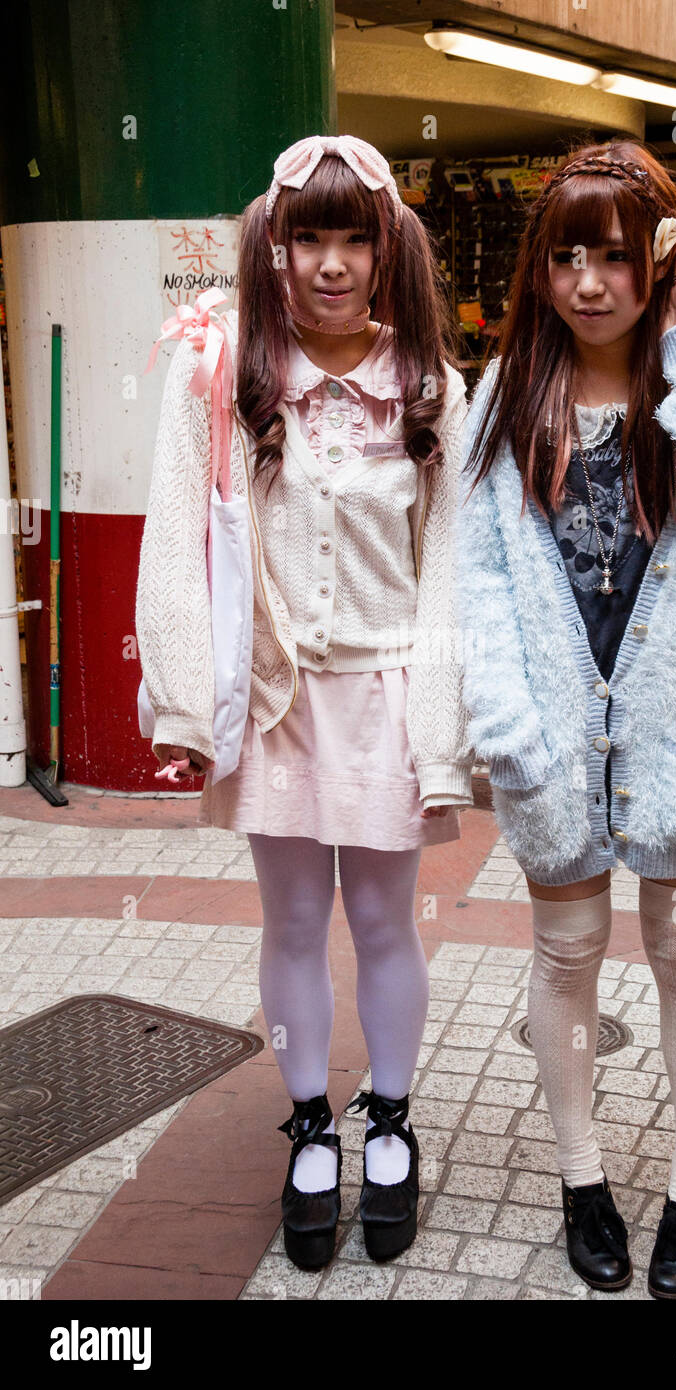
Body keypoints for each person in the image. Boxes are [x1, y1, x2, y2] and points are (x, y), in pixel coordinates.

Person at [455, 139, 676, 1299]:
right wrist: (503, 725)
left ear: (657, 259)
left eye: (613, 256)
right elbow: (479, 572)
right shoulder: (503, 394)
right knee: (564, 953)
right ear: (537, 270)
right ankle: (579, 1176)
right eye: (564, 258)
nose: (588, 283)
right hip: (547, 742)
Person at [135, 134, 475, 1271]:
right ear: (272, 245)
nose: (330, 262)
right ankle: (309, 1129)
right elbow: (176, 540)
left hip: (386, 694)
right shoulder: (225, 378)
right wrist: (185, 703)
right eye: (306, 235)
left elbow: (453, 576)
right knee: (288, 922)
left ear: (388, 250)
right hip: (275, 699)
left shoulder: (432, 389)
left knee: (381, 921)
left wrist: (443, 731)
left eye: (353, 236)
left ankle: (388, 1119)